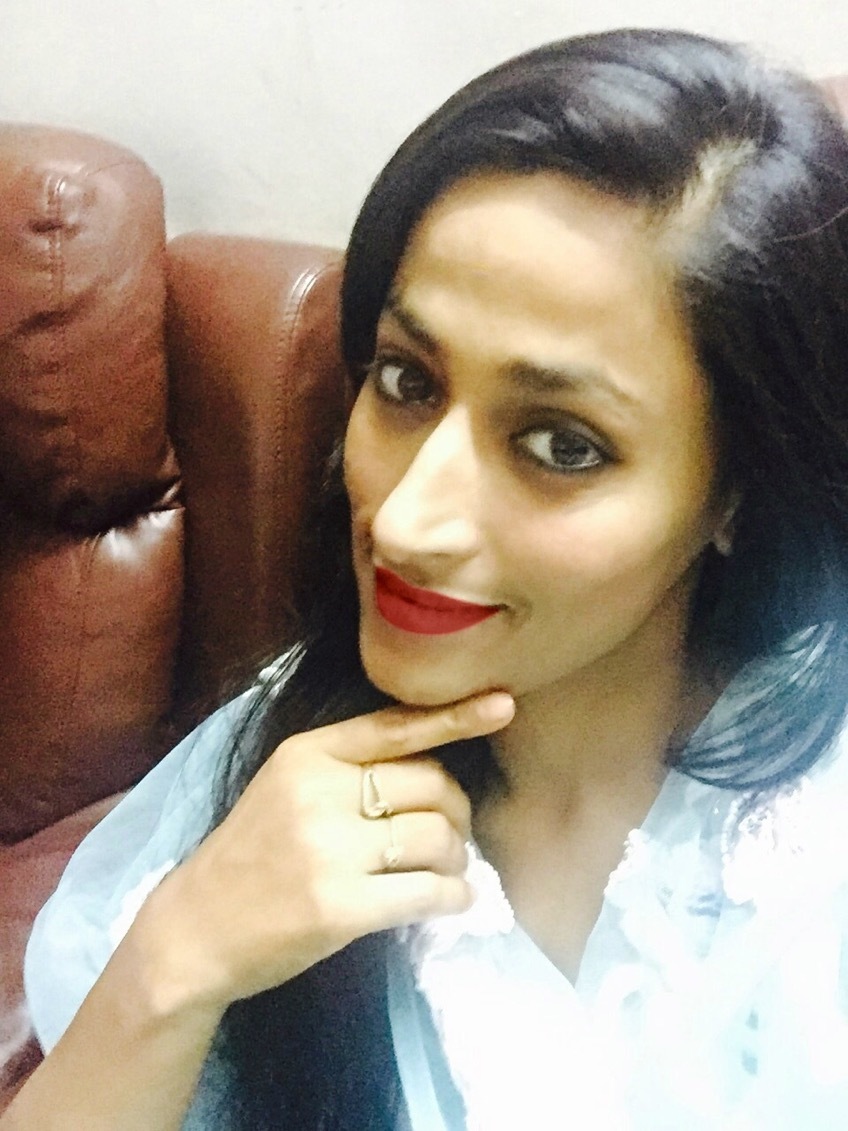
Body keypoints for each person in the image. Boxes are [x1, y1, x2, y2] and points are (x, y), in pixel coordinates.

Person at [6, 25, 848, 1130]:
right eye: (406, 380)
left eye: (560, 445)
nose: (403, 520)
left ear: (737, 491)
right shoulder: (274, 763)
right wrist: (175, 964)